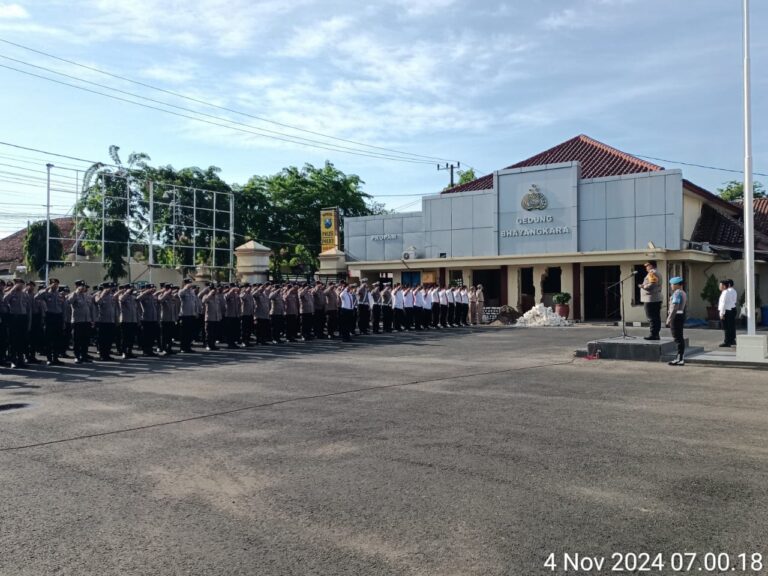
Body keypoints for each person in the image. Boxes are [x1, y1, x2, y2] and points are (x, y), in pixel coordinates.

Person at [666, 276, 687, 366]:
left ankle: (680, 358)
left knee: (677, 338)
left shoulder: (677, 293)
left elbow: (675, 307)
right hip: (680, 315)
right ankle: (679, 357)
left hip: (676, 316)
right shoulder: (683, 292)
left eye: (672, 284)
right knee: (679, 337)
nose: (671, 286)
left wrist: (669, 318)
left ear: (677, 285)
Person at [639, 260, 663, 340]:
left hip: (651, 299)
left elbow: (652, 285)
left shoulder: (652, 273)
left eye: (647, 266)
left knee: (652, 317)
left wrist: (643, 286)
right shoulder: (656, 272)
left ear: (651, 266)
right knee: (656, 317)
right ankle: (656, 334)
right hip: (655, 298)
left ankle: (653, 334)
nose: (646, 268)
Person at [718, 279, 738, 347]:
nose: (719, 286)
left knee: (726, 327)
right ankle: (731, 340)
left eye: (720, 285)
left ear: (724, 286)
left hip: (727, 311)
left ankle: (727, 341)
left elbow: (723, 304)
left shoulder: (725, 293)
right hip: (730, 310)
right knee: (730, 326)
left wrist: (721, 313)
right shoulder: (728, 292)